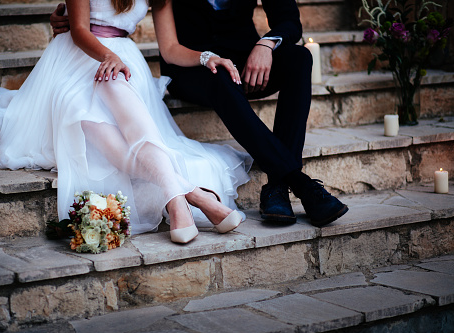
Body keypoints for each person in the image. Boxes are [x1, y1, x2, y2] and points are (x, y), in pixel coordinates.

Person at [51, 0, 349, 227]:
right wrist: (68, 10)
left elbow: (288, 20)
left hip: (246, 60)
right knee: (219, 76)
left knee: (299, 58)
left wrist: (267, 43)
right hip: (191, 67)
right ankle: (301, 184)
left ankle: (277, 185)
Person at [0, 0, 254, 244]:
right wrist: (109, 56)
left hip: (124, 61)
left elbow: (170, 49)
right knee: (82, 112)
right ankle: (189, 196)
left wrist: (206, 57)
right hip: (78, 59)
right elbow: (78, 29)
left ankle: (181, 198)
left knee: (115, 83)